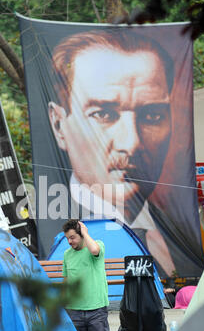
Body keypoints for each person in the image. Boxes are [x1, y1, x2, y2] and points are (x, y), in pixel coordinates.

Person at [48, 29, 178, 276]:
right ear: (59, 125)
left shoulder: (177, 235)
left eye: (152, 116)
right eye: (103, 114)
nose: (131, 144)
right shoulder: (61, 233)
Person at [62, 219, 117, 331]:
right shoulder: (67, 254)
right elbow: (66, 280)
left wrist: (85, 233)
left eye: (73, 237)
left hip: (96, 308)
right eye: (67, 238)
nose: (70, 241)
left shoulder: (97, 245)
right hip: (74, 310)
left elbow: (94, 250)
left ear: (81, 234)